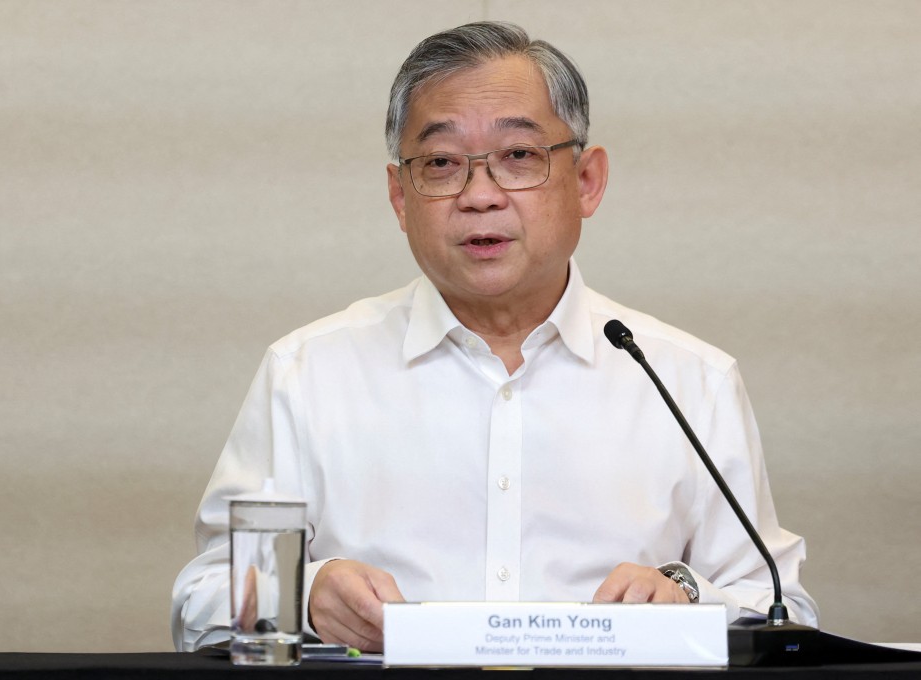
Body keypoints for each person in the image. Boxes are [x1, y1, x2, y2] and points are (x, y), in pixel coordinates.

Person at [171, 21, 818, 653]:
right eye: (442, 163)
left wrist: (685, 593)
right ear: (400, 196)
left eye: (518, 157)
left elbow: (783, 609)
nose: (480, 196)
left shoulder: (690, 380)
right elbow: (200, 603)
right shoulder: (310, 371)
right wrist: (306, 593)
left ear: (586, 181)